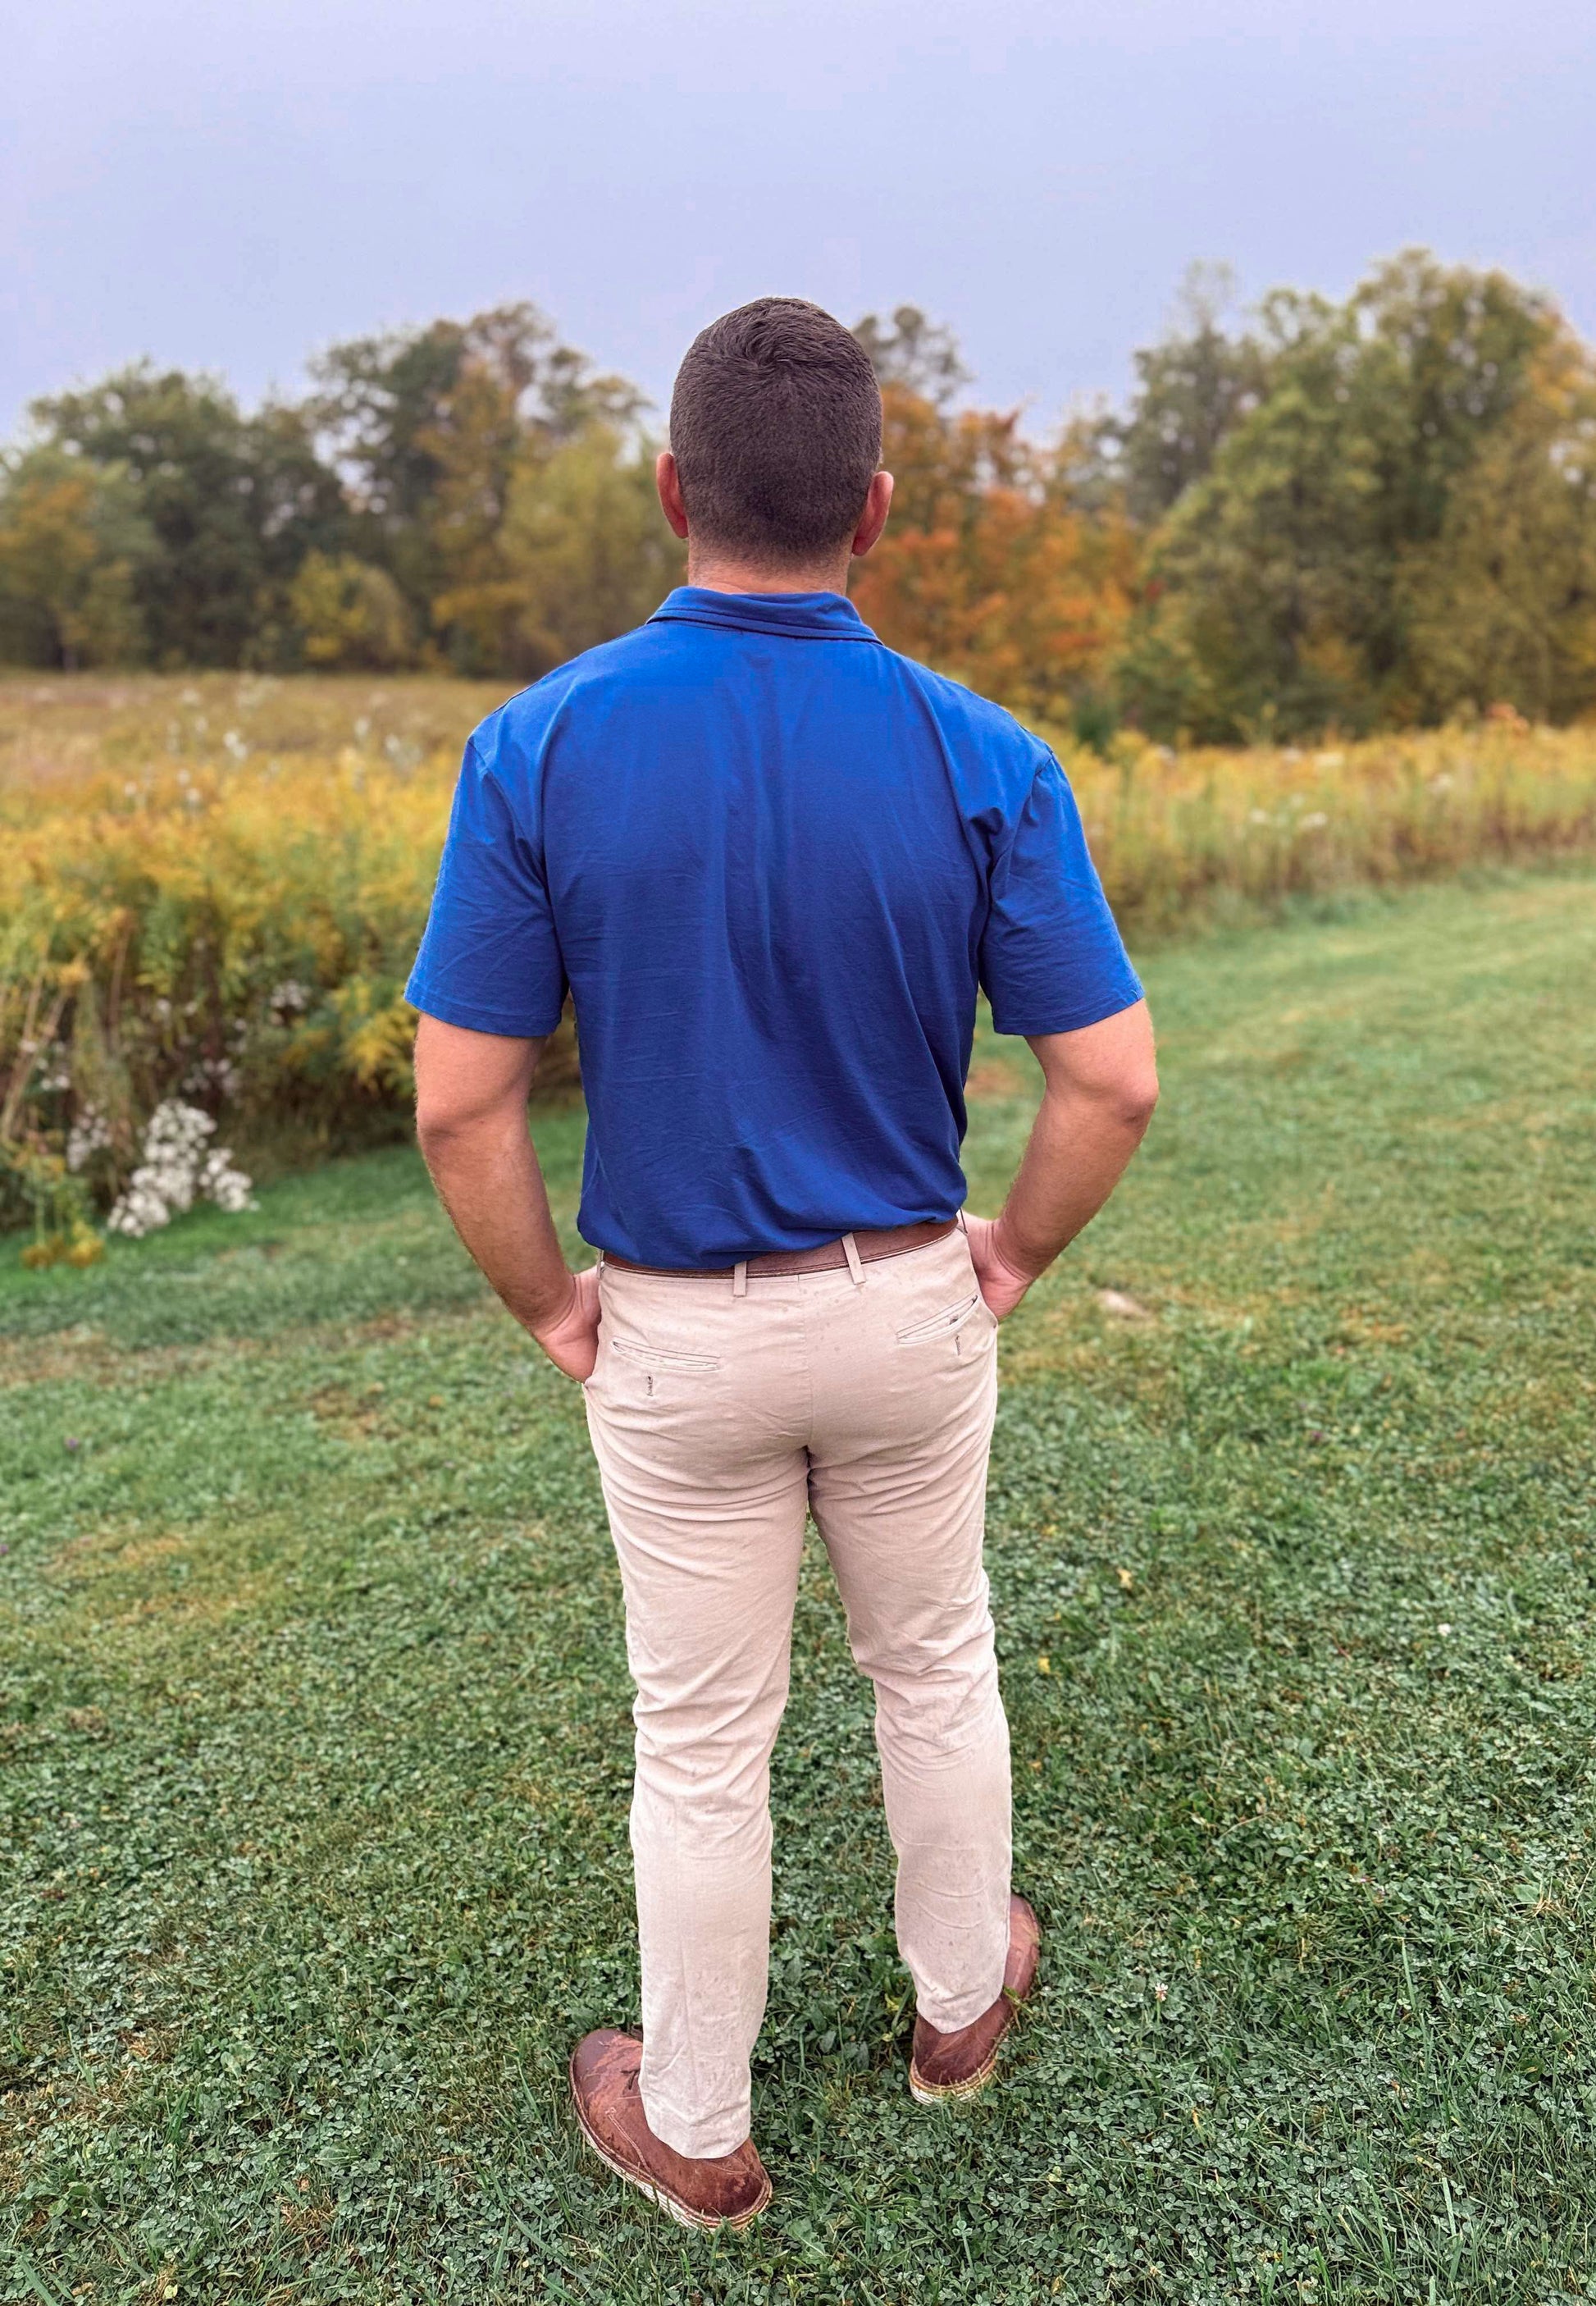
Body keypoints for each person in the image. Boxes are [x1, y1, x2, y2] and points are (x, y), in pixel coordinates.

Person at [407, 297, 1157, 2232]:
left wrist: (547, 1305)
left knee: (700, 1736)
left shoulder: (537, 744)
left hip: (669, 1328)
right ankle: (954, 2010)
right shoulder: (980, 750)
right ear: (876, 510)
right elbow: (1111, 1078)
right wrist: (1011, 1254)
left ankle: (699, 2122)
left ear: (673, 489)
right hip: (907, 1297)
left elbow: (458, 1109)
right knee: (935, 1666)